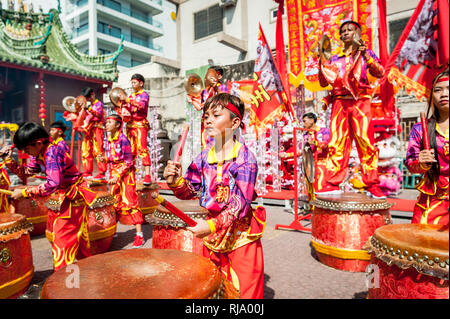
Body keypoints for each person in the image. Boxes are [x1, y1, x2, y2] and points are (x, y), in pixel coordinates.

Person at [163, 93, 266, 299]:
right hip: (212, 238)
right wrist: (175, 182)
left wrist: (209, 226)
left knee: (245, 294)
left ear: (235, 122)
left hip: (240, 239)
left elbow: (239, 205)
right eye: (206, 115)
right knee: (213, 291)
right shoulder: (203, 158)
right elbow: (191, 191)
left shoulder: (245, 160)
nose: (208, 119)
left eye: (216, 115)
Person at [0, 122, 97, 271]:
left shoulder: (52, 152)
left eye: (27, 149)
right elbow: (27, 172)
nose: (27, 153)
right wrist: (8, 160)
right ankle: (89, 270)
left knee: (62, 240)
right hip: (66, 196)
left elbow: (53, 184)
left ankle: (63, 281)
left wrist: (25, 192)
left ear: (38, 143)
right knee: (77, 239)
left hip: (73, 196)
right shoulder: (39, 153)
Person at [318, 20, 386, 198]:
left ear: (358, 33)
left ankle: (372, 183)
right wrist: (321, 62)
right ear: (340, 36)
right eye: (343, 31)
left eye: (350, 29)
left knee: (366, 142)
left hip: (360, 101)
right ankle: (332, 182)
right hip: (339, 102)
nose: (346, 32)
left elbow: (380, 73)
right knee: (337, 142)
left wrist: (367, 57)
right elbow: (324, 82)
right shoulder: (334, 59)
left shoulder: (366, 53)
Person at [405, 70, 449, 226]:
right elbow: (411, 164)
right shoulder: (420, 129)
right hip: (430, 203)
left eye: (449, 89)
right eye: (438, 90)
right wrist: (421, 163)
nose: (444, 94)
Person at [97, 114, 145, 248]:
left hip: (126, 175)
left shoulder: (123, 140)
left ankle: (139, 235)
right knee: (113, 201)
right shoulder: (107, 140)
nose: (106, 125)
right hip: (113, 173)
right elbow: (111, 158)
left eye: (109, 122)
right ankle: (112, 231)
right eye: (106, 122)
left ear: (118, 125)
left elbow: (129, 161)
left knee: (131, 202)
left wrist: (117, 175)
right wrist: (104, 159)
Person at [119, 74, 152, 185]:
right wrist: (122, 105)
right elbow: (128, 109)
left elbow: (141, 106)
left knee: (142, 148)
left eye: (134, 82)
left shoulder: (144, 95)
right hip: (130, 125)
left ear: (141, 83)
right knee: (130, 150)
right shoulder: (131, 95)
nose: (132, 84)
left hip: (140, 125)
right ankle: (129, 173)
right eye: (132, 82)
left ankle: (147, 175)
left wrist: (127, 100)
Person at [80, 87, 107, 179]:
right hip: (88, 129)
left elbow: (98, 114)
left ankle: (102, 172)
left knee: (98, 150)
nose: (88, 100)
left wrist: (88, 109)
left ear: (92, 95)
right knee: (86, 150)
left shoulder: (99, 104)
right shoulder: (89, 106)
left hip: (97, 129)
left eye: (88, 97)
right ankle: (88, 171)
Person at [301, 112, 331, 192]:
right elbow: (302, 151)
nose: (303, 123)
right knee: (310, 190)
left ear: (311, 121)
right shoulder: (305, 136)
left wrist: (314, 143)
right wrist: (287, 154)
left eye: (304, 121)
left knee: (320, 188)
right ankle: (311, 204)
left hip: (322, 164)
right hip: (309, 165)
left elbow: (326, 145)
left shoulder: (324, 131)